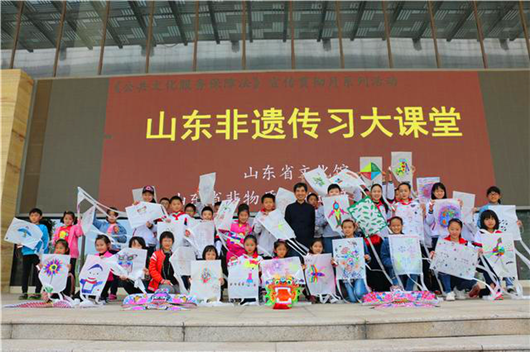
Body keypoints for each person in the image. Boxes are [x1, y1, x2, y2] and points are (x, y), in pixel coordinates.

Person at [431, 219, 481, 301]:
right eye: (452, 229)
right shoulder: (443, 242)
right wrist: (433, 255)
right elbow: (437, 260)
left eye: (457, 229)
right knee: (443, 268)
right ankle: (449, 291)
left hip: (461, 273)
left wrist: (477, 254)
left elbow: (473, 258)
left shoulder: (466, 243)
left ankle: (458, 289)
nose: (454, 232)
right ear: (448, 229)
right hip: (447, 275)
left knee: (472, 280)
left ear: (461, 230)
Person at [92, 207, 128, 301]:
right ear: (106, 216)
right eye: (109, 215)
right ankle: (101, 291)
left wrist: (118, 232)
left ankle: (113, 293)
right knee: (102, 271)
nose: (111, 217)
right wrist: (94, 209)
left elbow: (124, 240)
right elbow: (92, 220)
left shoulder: (120, 227)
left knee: (114, 273)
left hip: (114, 251)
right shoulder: (102, 225)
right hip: (103, 251)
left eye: (114, 215)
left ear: (117, 217)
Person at [333, 219, 370, 303]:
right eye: (345, 227)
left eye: (350, 227)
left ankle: (366, 291)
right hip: (345, 274)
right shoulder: (339, 243)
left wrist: (367, 257)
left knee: (359, 294)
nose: (347, 229)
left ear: (354, 228)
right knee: (353, 300)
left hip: (358, 272)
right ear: (342, 229)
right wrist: (334, 262)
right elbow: (336, 259)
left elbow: (368, 255)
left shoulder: (360, 241)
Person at [364, 184, 391, 292]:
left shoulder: (384, 206)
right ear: (370, 193)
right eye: (374, 191)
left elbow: (387, 221)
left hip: (382, 238)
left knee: (383, 262)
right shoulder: (366, 205)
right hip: (371, 239)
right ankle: (375, 286)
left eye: (379, 191)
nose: (376, 193)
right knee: (373, 263)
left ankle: (385, 286)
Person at [473, 210, 505, 300]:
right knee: (489, 266)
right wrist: (479, 250)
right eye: (487, 219)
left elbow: (503, 248)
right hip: (482, 261)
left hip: (496, 260)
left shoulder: (499, 233)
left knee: (496, 266)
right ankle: (494, 289)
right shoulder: (480, 233)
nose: (490, 221)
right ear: (483, 221)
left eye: (492, 219)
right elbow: (476, 248)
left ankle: (487, 290)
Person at [381, 216, 418, 291]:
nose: (396, 228)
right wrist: (394, 263)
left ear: (402, 226)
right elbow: (384, 257)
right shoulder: (386, 241)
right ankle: (398, 288)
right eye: (393, 226)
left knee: (414, 271)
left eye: (398, 225)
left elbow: (413, 254)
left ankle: (409, 290)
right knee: (398, 291)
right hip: (394, 268)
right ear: (390, 227)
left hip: (407, 265)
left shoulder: (408, 239)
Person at [19, 208, 49, 300]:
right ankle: (24, 292)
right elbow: (20, 238)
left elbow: (45, 240)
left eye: (36, 215)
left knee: (38, 273)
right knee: (25, 273)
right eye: (32, 215)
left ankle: (37, 292)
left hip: (37, 253)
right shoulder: (25, 227)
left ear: (40, 217)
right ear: (29, 217)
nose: (34, 217)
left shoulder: (43, 227)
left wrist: (44, 253)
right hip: (26, 253)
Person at [53, 211, 84, 295]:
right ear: (63, 219)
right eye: (66, 218)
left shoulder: (74, 227)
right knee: (59, 271)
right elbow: (55, 240)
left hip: (71, 254)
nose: (67, 220)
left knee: (71, 272)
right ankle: (59, 289)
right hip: (60, 254)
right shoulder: (59, 228)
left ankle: (71, 291)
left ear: (73, 220)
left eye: (70, 219)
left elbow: (80, 233)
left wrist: (79, 223)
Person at [285, 182, 315, 252]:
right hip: (293, 242)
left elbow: (312, 225)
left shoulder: (310, 207)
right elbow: (286, 225)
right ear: (295, 193)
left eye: (302, 191)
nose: (300, 193)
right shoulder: (289, 207)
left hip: (308, 241)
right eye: (298, 191)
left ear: (306, 193)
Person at [315, 184, 345, 254]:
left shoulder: (344, 205)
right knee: (330, 259)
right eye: (331, 192)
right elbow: (317, 223)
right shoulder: (322, 207)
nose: (334, 193)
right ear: (328, 194)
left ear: (340, 193)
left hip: (342, 235)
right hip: (328, 236)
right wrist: (327, 218)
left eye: (336, 191)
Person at [132, 186, 157, 257]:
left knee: (148, 265)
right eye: (145, 195)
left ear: (153, 196)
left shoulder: (157, 209)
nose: (147, 197)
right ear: (142, 195)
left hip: (149, 243)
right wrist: (133, 207)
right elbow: (132, 221)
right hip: (137, 241)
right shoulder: (137, 206)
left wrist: (151, 226)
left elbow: (159, 228)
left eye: (149, 195)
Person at [253, 193, 277, 258]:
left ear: (273, 203)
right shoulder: (259, 214)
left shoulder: (277, 214)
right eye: (266, 202)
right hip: (262, 247)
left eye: (270, 202)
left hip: (275, 248)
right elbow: (256, 231)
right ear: (263, 204)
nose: (268, 204)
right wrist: (262, 219)